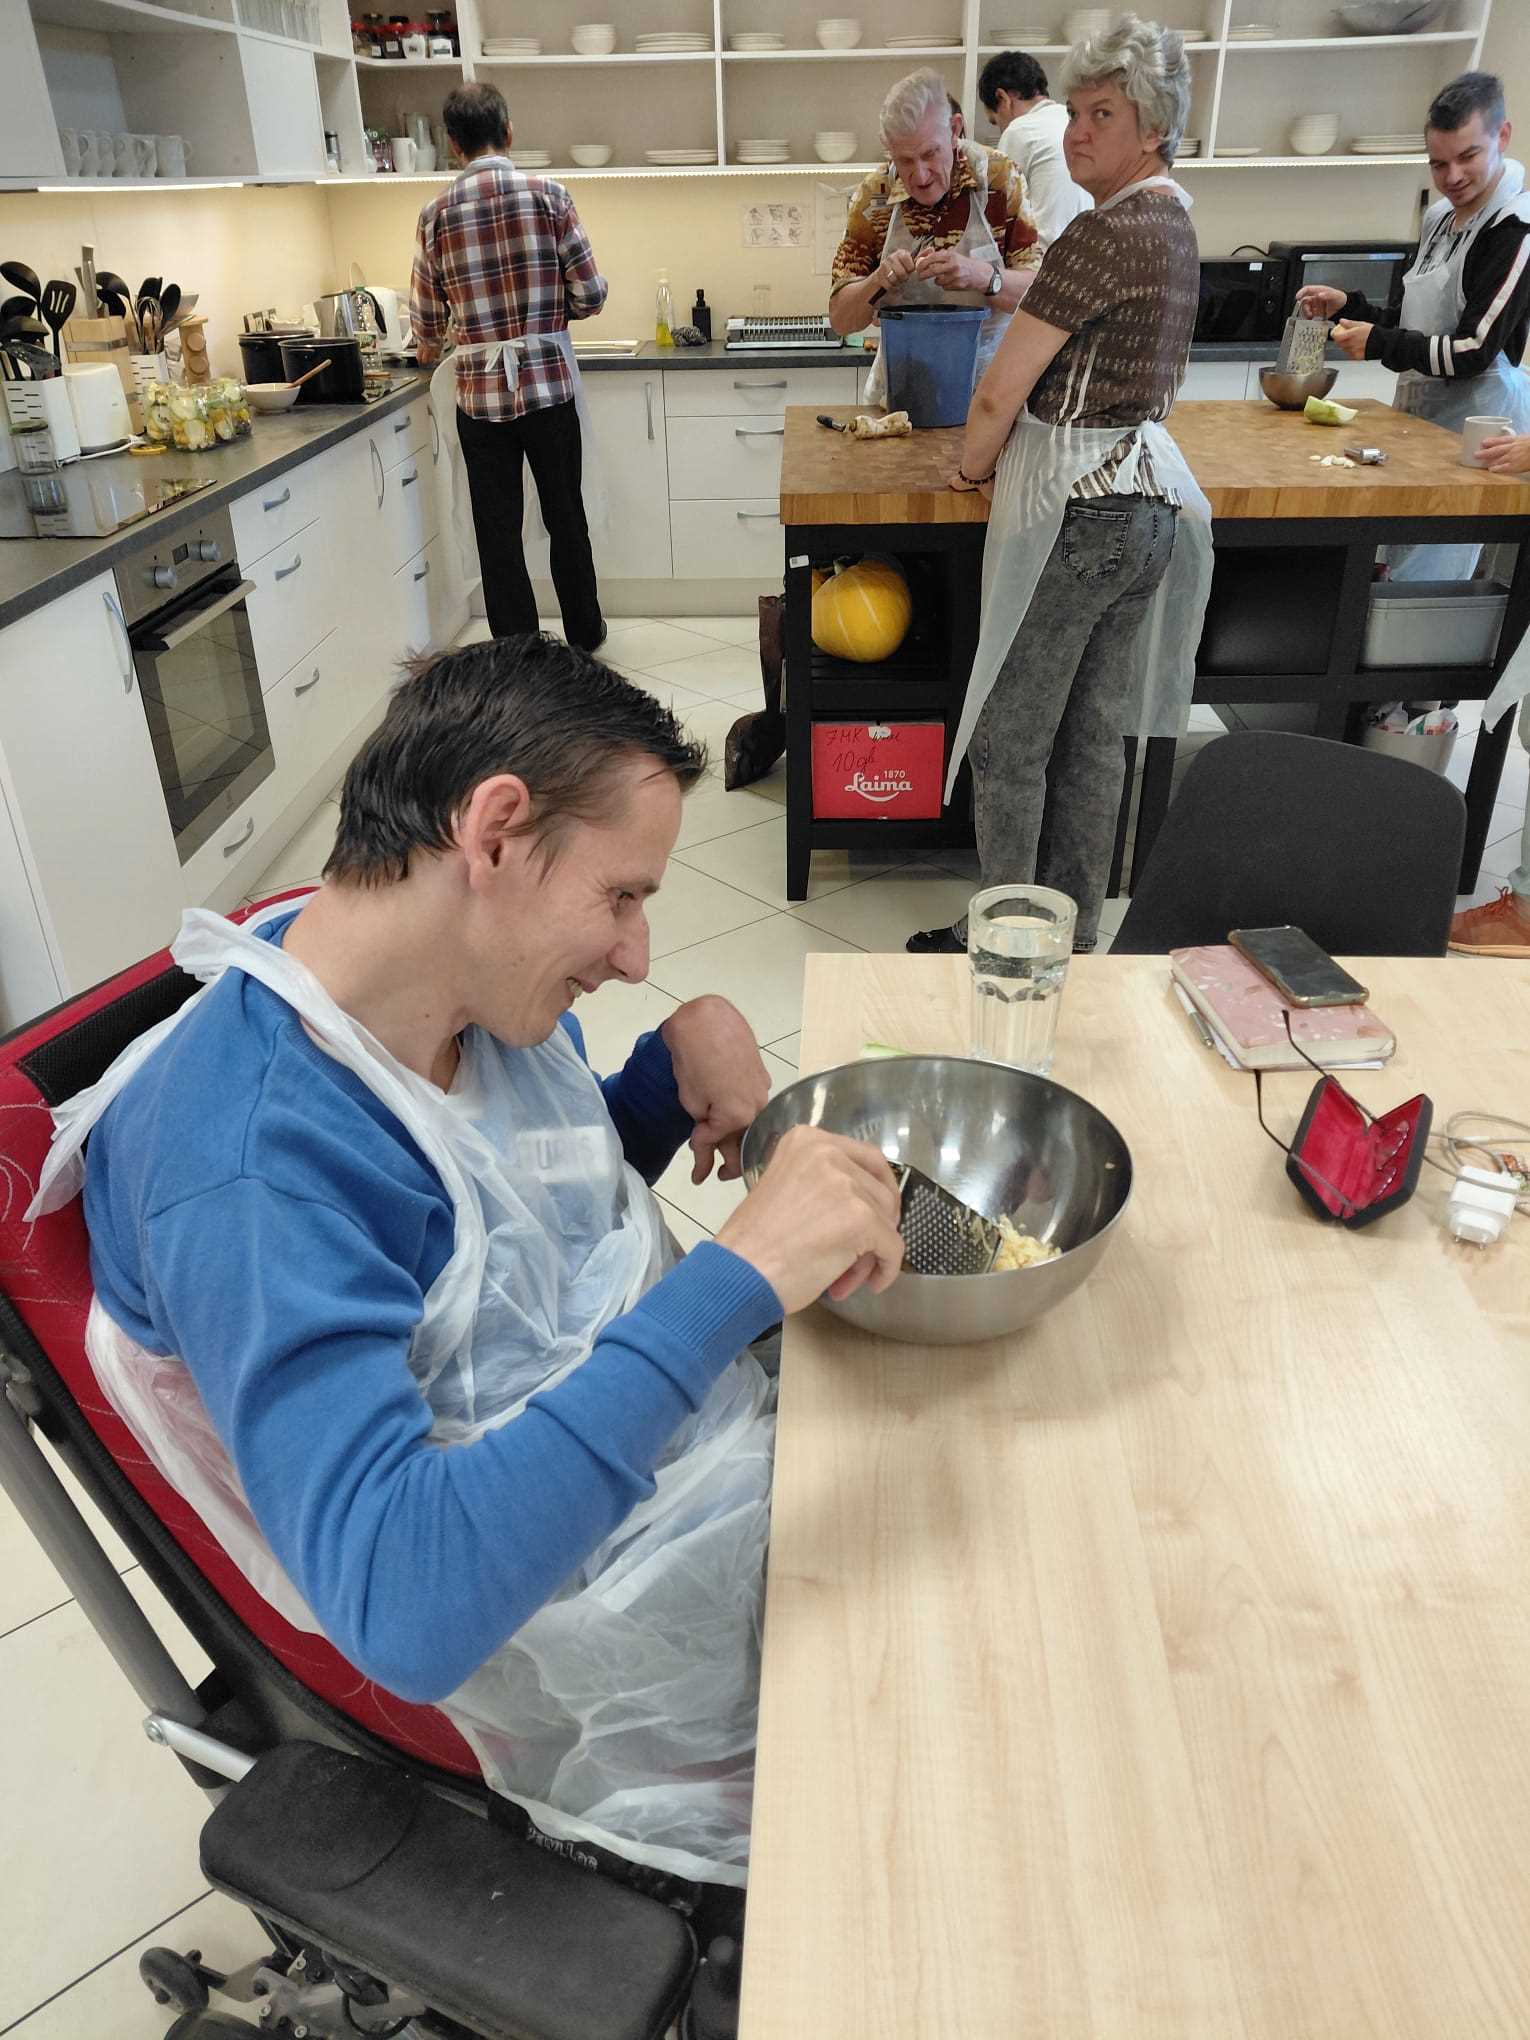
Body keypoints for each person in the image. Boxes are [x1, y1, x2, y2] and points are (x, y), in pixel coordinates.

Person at [30, 635, 905, 1898]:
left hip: (693, 1493)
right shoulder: (255, 1175)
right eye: (621, 897)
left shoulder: (424, 979)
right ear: (492, 832)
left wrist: (663, 1077)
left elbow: (510, 1257)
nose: (636, 954)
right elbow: (408, 1608)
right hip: (596, 1653)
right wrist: (740, 1277)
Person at [906, 13, 1212, 957]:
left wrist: (969, 468)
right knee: (1090, 739)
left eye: (1102, 114)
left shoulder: (1101, 233)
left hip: (1080, 512)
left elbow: (1000, 391)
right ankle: (1075, 938)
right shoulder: (1174, 219)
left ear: (1151, 126)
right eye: (1075, 112)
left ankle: (1006, 943)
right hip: (1147, 510)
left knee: (1009, 739)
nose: (1077, 132)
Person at [1296, 70, 1530, 582]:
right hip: (1420, 418)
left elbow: (1473, 349)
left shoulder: (1515, 230)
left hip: (1477, 426)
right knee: (1390, 567)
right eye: (1438, 163)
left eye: (1468, 156)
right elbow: (1412, 321)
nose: (1452, 176)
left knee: (1429, 576)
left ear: (1503, 136)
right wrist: (1350, 307)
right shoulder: (1440, 220)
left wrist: (1378, 342)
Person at [411, 83, 608, 649]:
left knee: (497, 531)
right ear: (509, 131)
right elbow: (591, 294)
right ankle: (584, 635)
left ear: (453, 144)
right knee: (565, 516)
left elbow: (426, 320)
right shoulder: (550, 197)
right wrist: (549, 317)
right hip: (548, 388)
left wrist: (433, 342)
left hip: (479, 399)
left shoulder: (434, 215)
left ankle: (517, 650)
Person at [829, 66, 1044, 409]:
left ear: (954, 130)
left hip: (990, 397)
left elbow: (1041, 299)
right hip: (901, 393)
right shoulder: (874, 197)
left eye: (930, 154)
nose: (920, 175)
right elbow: (841, 320)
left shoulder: (1000, 180)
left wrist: (983, 276)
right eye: (905, 160)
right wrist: (878, 282)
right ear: (888, 149)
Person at [978, 48, 1092, 249]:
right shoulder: (1071, 120)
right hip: (1086, 252)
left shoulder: (1018, 131)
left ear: (1002, 98)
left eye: (995, 121)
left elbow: (997, 220)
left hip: (1044, 257)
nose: (1001, 129)